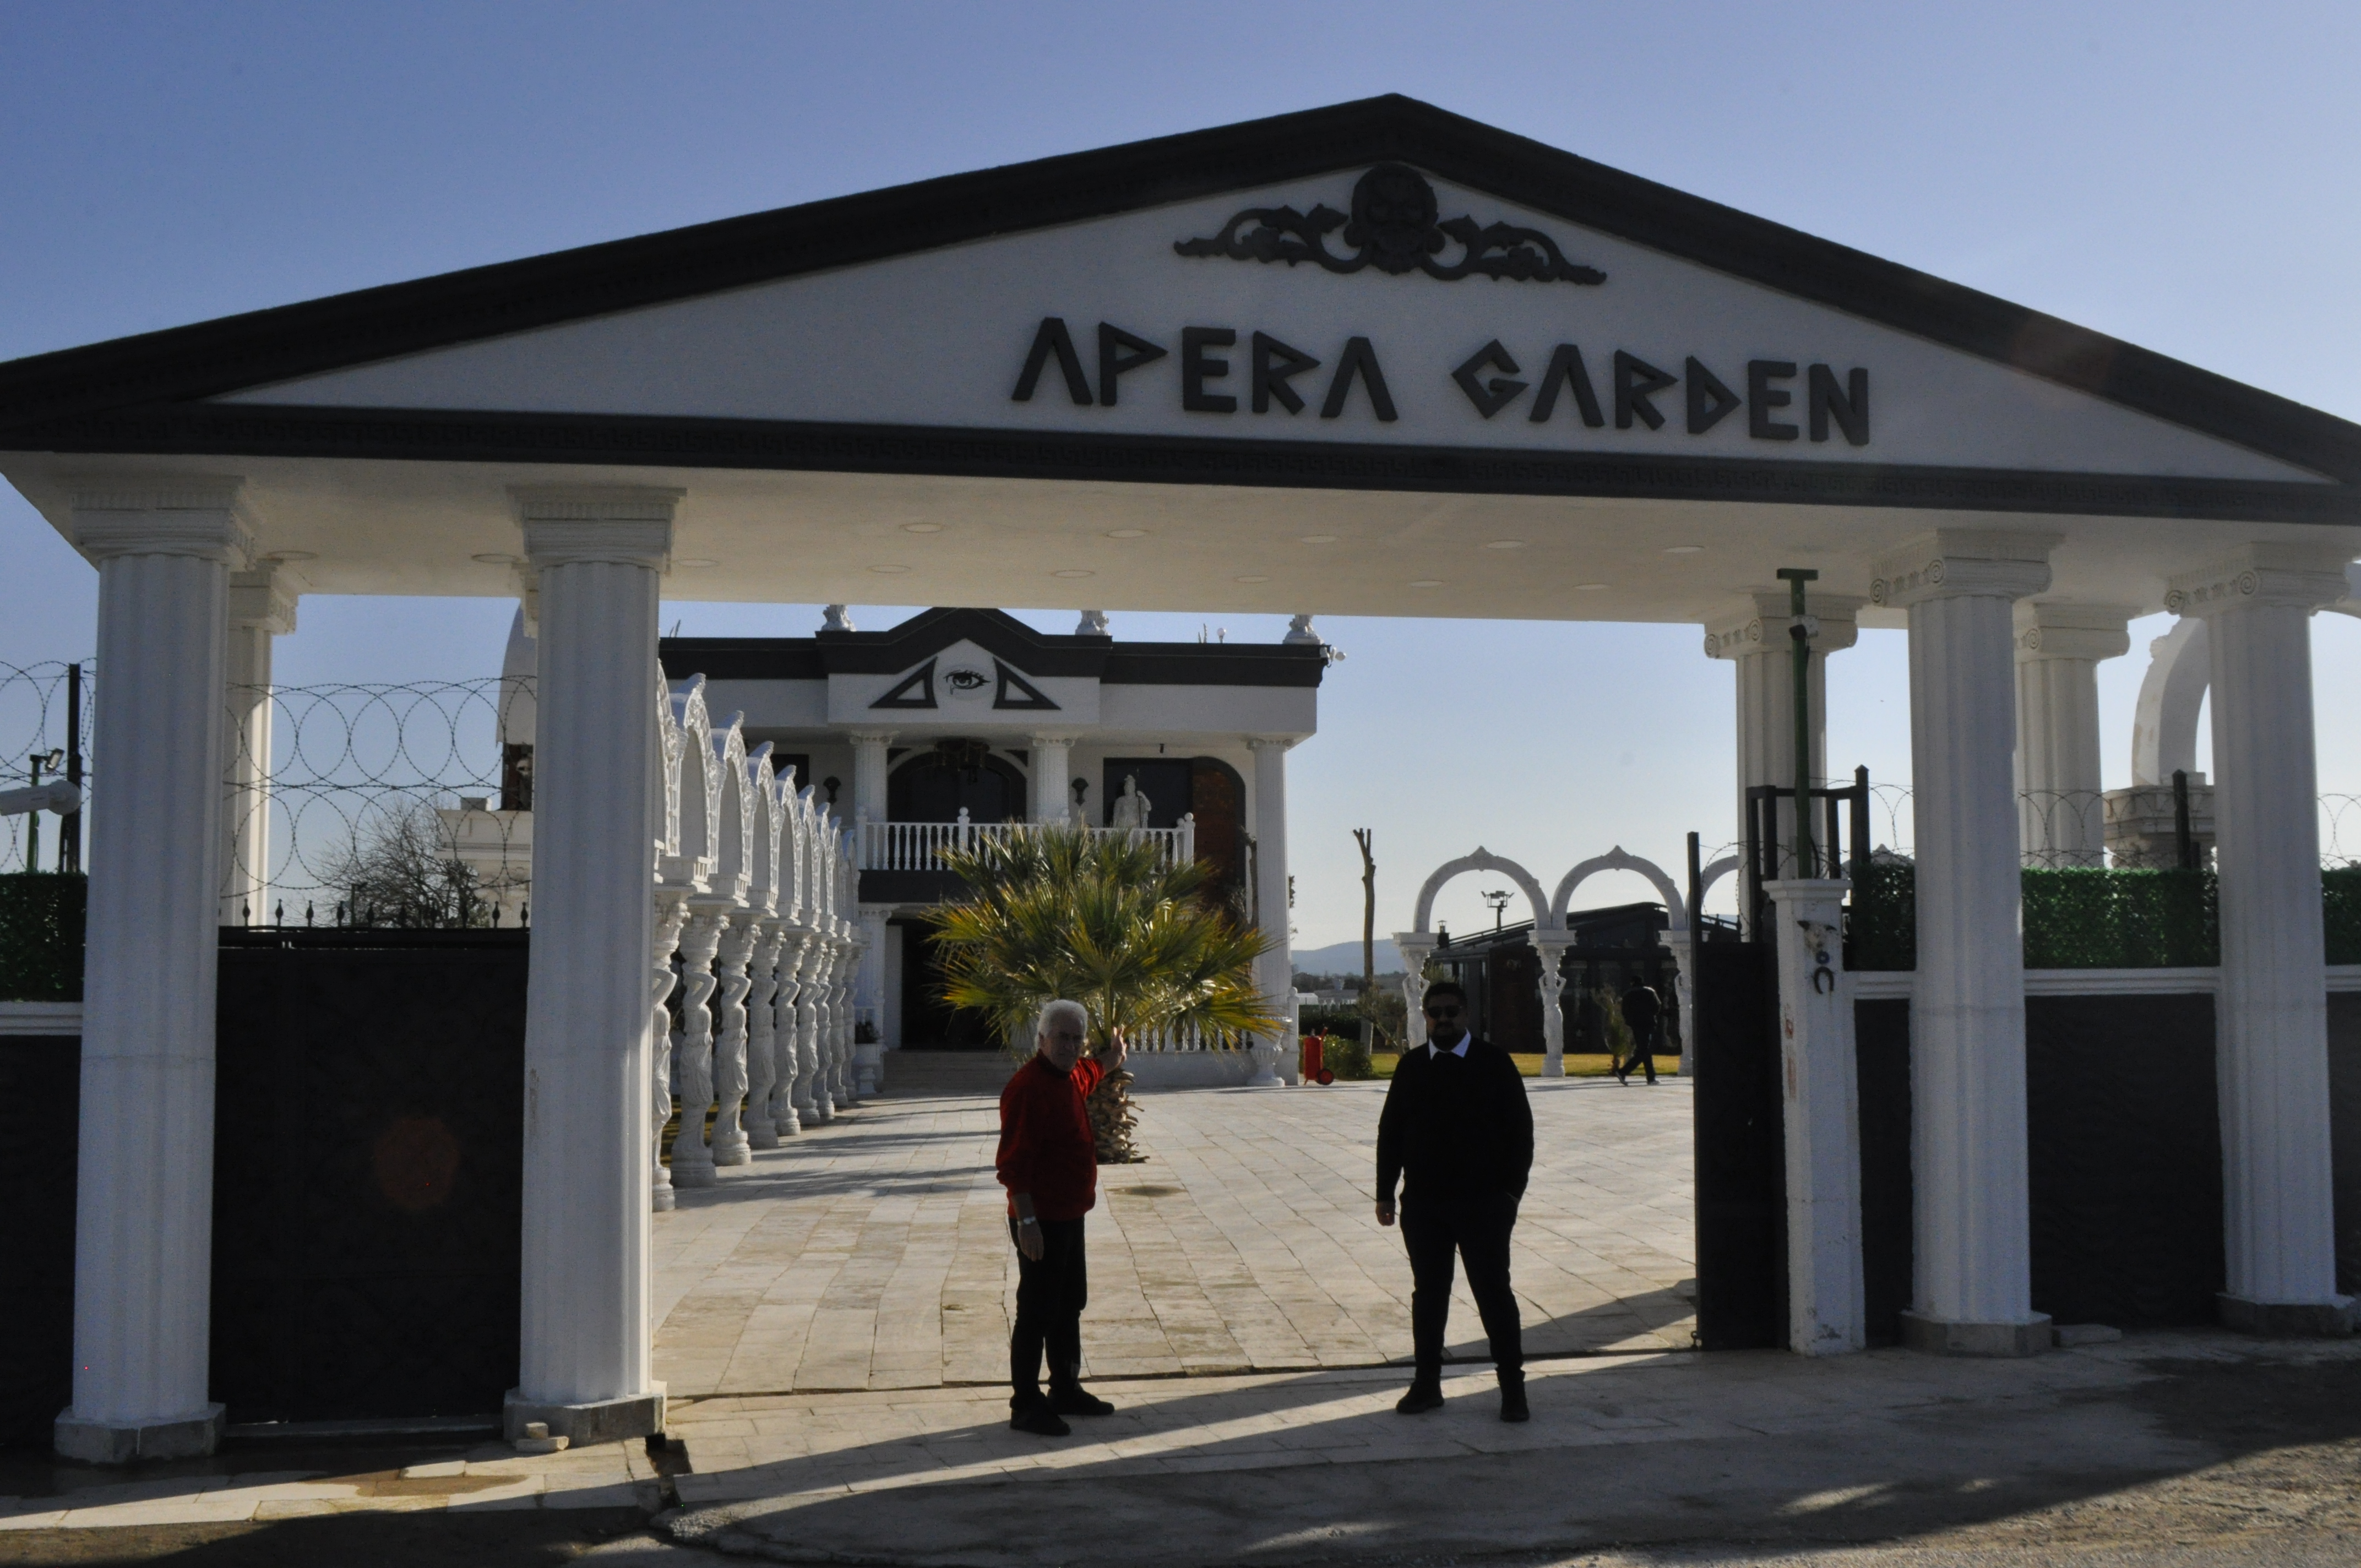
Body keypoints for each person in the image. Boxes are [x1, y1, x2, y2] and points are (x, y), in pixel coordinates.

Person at [1374, 978, 1536, 1422]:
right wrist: (1385, 1192)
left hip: (1484, 1204)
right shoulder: (1411, 1067)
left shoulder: (1493, 1064)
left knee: (1493, 1294)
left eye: (1451, 1012)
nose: (1443, 1020)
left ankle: (1512, 1388)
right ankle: (1427, 1384)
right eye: (1435, 1013)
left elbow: (1521, 1133)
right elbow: (1391, 1133)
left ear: (1466, 1016)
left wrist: (1510, 1194)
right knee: (1429, 1295)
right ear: (1425, 1017)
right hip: (1425, 1205)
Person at [995, 999, 1127, 1436]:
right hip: (1039, 1219)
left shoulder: (1074, 1076)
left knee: (1069, 1304)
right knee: (1036, 1309)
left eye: (1076, 1038)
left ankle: (1065, 1389)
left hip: (1072, 1215)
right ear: (1041, 1040)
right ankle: (1025, 1404)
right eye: (1061, 1037)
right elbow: (1013, 1166)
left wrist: (1115, 1055)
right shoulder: (1026, 1088)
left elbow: (1097, 1068)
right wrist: (1028, 1224)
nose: (1070, 1046)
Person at [1617, 980, 1661, 1086]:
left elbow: (1624, 1011)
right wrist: (1651, 1015)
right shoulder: (1650, 992)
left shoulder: (1628, 994)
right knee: (1643, 1050)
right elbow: (1657, 1006)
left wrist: (1630, 1021)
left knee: (1645, 1050)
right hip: (1647, 1023)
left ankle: (1651, 1077)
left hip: (1635, 1025)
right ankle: (1623, 1071)